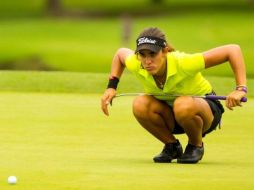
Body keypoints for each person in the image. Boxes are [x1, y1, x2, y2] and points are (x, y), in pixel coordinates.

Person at [101, 27, 247, 164]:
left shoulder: (184, 62)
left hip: (204, 113)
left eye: (153, 54)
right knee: (140, 103)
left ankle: (195, 145)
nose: (147, 61)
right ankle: (172, 146)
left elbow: (232, 50)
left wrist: (240, 88)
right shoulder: (137, 63)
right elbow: (120, 54)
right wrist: (111, 87)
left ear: (165, 51)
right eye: (142, 55)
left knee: (182, 104)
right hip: (172, 115)